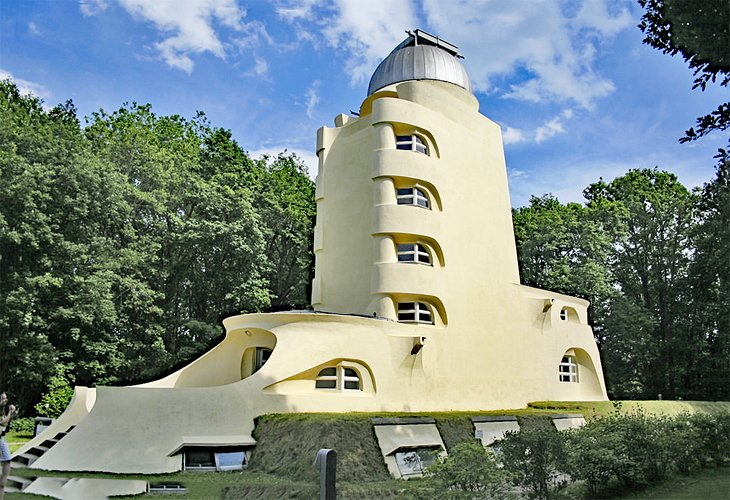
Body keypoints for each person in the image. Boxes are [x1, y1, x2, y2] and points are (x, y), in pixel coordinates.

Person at [0, 392, 19, 500]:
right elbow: (2, 423)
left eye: (6, 398)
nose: (6, 400)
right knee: (7, 460)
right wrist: (10, 413)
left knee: (7, 461)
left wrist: (12, 414)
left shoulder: (2, 410)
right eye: (4, 399)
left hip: (2, 439)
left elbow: (5, 422)